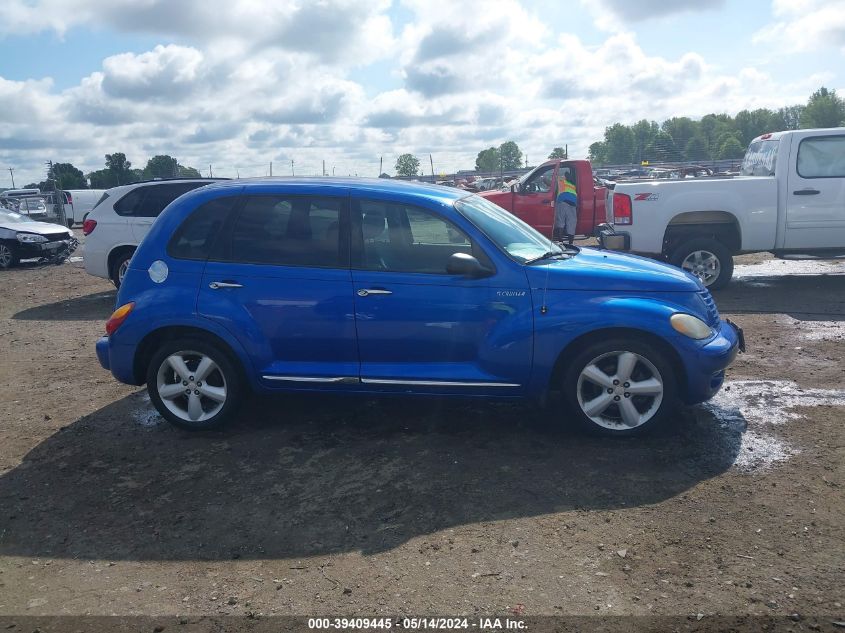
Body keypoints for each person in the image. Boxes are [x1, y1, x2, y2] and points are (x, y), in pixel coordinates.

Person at [553, 170, 577, 244]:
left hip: (563, 202)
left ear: (565, 177)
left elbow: (550, 183)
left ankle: (561, 241)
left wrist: (543, 179)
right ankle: (570, 243)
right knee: (571, 223)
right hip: (573, 203)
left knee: (561, 221)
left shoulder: (561, 181)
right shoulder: (573, 185)